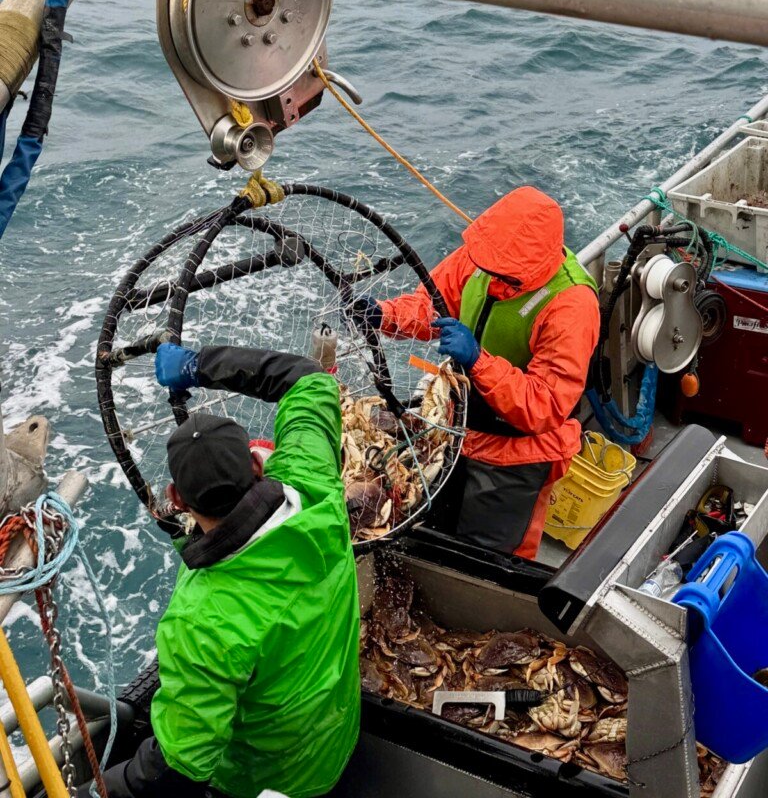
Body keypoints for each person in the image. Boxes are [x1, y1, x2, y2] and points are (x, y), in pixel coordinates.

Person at [86, 343, 360, 798]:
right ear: (256, 463)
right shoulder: (315, 483)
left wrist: (98, 789)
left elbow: (181, 766)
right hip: (336, 741)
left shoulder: (203, 619)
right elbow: (308, 377)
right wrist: (198, 365)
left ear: (177, 499)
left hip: (275, 785)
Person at [355, 186, 600, 559]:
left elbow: (546, 404)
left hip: (518, 455)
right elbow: (430, 305)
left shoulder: (573, 305)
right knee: (430, 531)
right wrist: (383, 314)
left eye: (506, 276)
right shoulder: (485, 256)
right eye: (488, 268)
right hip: (457, 433)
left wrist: (477, 360)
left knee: (487, 561)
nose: (492, 277)